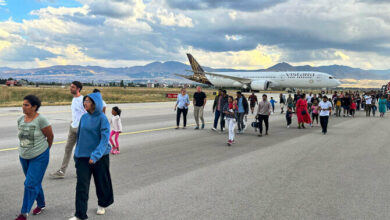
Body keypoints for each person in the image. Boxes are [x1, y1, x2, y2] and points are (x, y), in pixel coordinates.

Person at [69, 92, 113, 220]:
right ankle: (80, 214)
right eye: (84, 101)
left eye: (87, 101)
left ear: (95, 103)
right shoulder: (84, 117)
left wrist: (95, 155)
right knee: (81, 185)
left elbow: (105, 140)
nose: (85, 103)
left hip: (100, 156)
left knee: (101, 182)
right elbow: (80, 137)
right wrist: (76, 154)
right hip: (83, 156)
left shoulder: (102, 118)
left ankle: (102, 204)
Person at [15, 95, 54, 220]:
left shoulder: (41, 120)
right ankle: (41, 204)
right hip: (24, 156)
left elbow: (50, 136)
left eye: (26, 105)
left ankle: (24, 213)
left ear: (34, 107)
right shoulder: (20, 119)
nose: (23, 107)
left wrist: (46, 149)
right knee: (34, 182)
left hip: (39, 156)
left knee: (30, 183)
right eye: (23, 104)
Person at [50, 81, 86, 179]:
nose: (70, 88)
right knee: (68, 149)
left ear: (78, 89)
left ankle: (82, 171)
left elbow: (88, 114)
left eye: (73, 87)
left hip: (81, 129)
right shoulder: (74, 99)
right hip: (72, 127)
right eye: (70, 87)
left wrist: (83, 125)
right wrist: (73, 121)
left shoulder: (83, 100)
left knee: (79, 151)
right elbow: (76, 113)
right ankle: (62, 171)